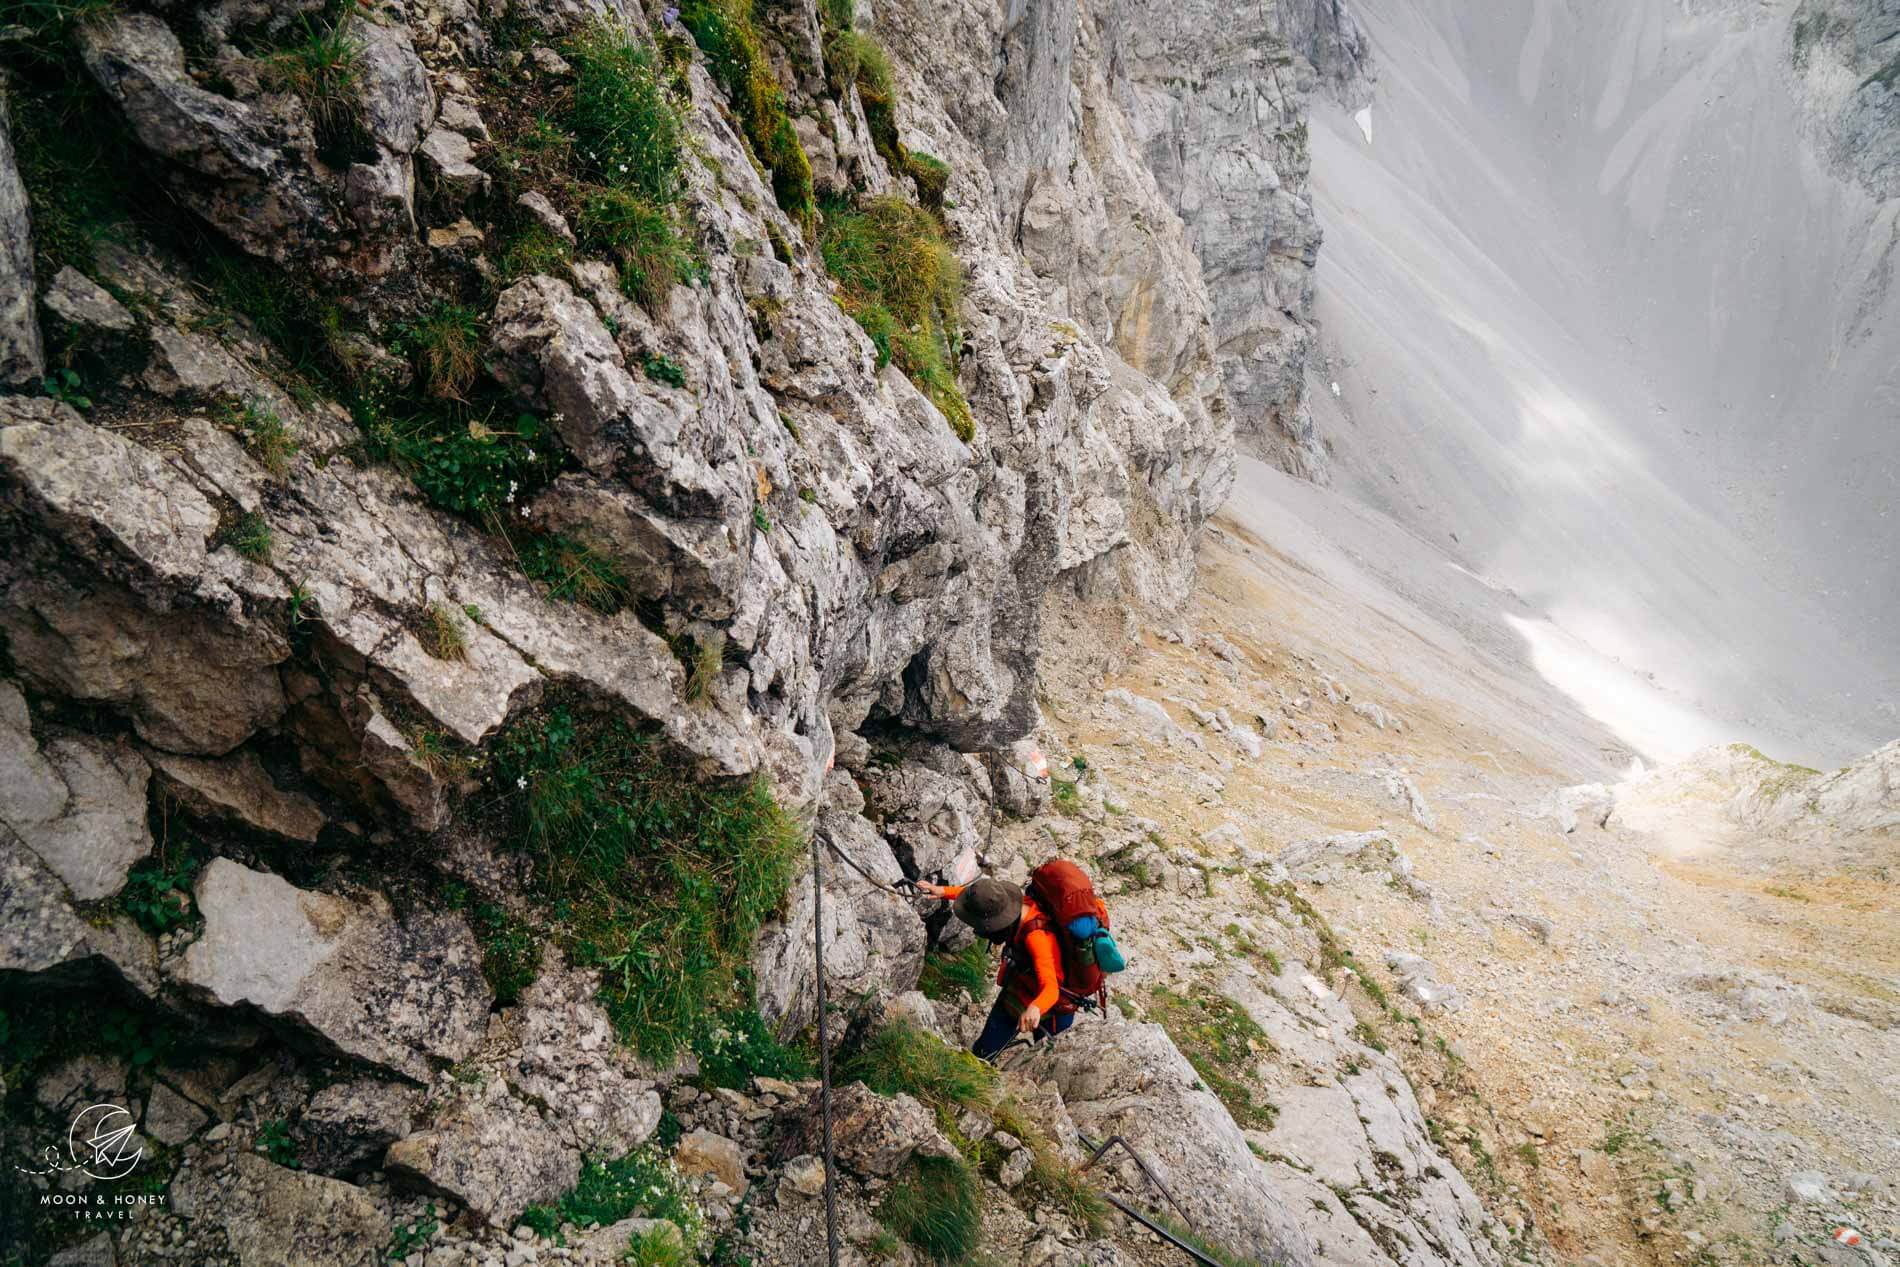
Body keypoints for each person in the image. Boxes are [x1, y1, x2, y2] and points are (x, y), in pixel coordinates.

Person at [915, 876, 1075, 1060]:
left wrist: (1035, 1008)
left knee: (1044, 1060)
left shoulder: (1037, 938)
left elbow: (1051, 988)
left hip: (1052, 1009)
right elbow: (981, 902)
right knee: (984, 1052)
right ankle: (979, 1068)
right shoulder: (1013, 905)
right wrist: (943, 891)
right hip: (1019, 989)